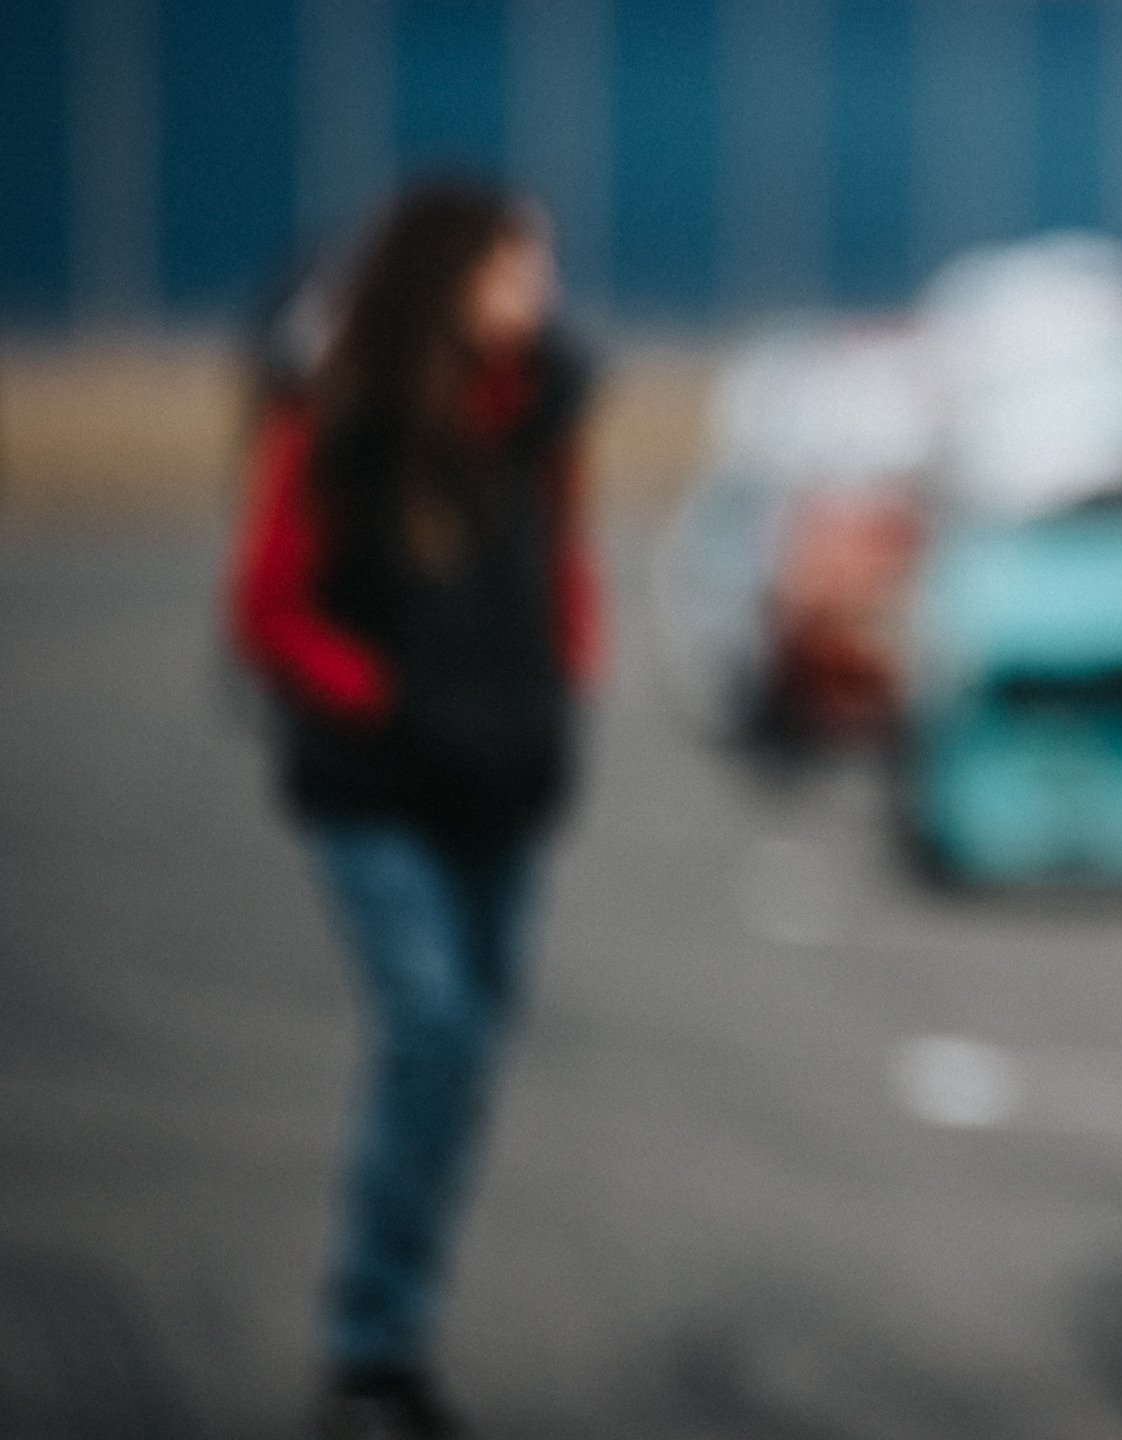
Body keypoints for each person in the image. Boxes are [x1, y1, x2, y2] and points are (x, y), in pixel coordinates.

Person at [228, 178, 601, 1438]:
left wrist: (558, 688)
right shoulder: (340, 412)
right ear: (450, 274)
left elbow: (563, 566)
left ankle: (393, 1331)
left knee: (467, 1054)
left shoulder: (546, 402)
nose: (539, 290)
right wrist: (382, 698)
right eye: (516, 264)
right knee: (432, 1027)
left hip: (504, 782)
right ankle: (370, 1347)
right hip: (374, 788)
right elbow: (266, 608)